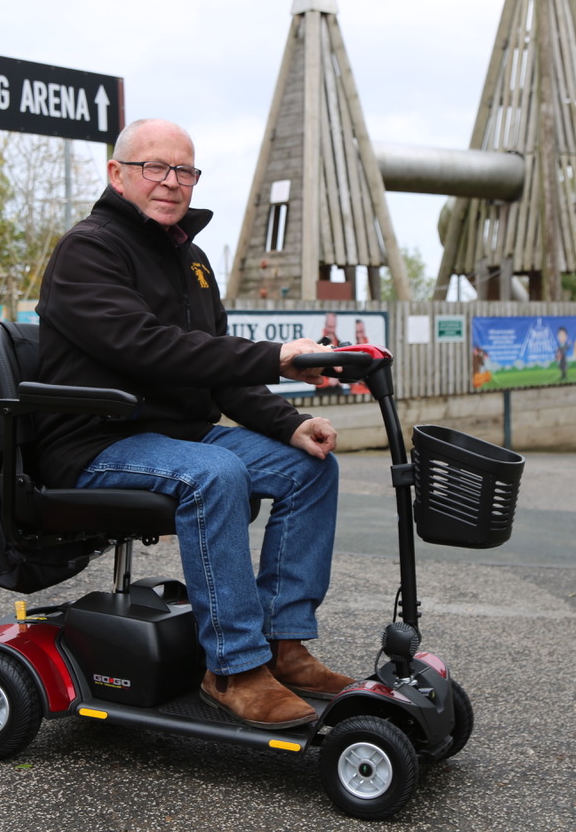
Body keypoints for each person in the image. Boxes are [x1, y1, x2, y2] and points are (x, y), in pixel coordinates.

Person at [35, 118, 353, 730]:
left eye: (184, 170)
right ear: (118, 175)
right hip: (97, 441)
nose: (170, 182)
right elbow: (149, 348)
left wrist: (288, 423)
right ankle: (232, 667)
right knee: (215, 472)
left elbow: (216, 368)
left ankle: (283, 644)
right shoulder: (90, 250)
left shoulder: (193, 258)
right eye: (155, 167)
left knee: (307, 466)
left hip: (176, 436)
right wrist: (273, 354)